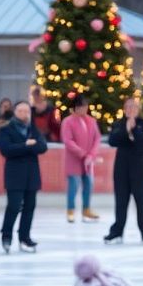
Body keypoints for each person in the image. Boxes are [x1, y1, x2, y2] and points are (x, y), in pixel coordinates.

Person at [0, 101, 47, 254]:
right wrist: (26, 145)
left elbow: (42, 146)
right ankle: (6, 235)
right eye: (20, 111)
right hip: (14, 175)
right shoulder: (6, 129)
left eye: (26, 111)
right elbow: (6, 150)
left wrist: (29, 146)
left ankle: (24, 237)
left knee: (30, 206)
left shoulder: (33, 129)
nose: (24, 114)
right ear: (15, 112)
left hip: (32, 174)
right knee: (13, 206)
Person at [104, 96, 143, 244]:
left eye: (134, 106)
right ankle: (117, 231)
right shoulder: (118, 124)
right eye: (128, 107)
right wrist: (126, 129)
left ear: (138, 109)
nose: (131, 109)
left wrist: (134, 129)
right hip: (122, 168)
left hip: (140, 169)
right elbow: (112, 141)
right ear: (124, 109)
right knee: (121, 200)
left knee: (141, 199)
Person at [61, 95, 101, 223]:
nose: (84, 109)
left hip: (88, 161)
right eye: (81, 107)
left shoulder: (91, 121)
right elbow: (68, 140)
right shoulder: (68, 121)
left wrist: (91, 155)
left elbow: (97, 139)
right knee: (73, 186)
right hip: (74, 160)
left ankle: (86, 209)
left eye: (85, 106)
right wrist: (83, 154)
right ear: (75, 108)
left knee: (88, 184)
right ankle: (70, 210)